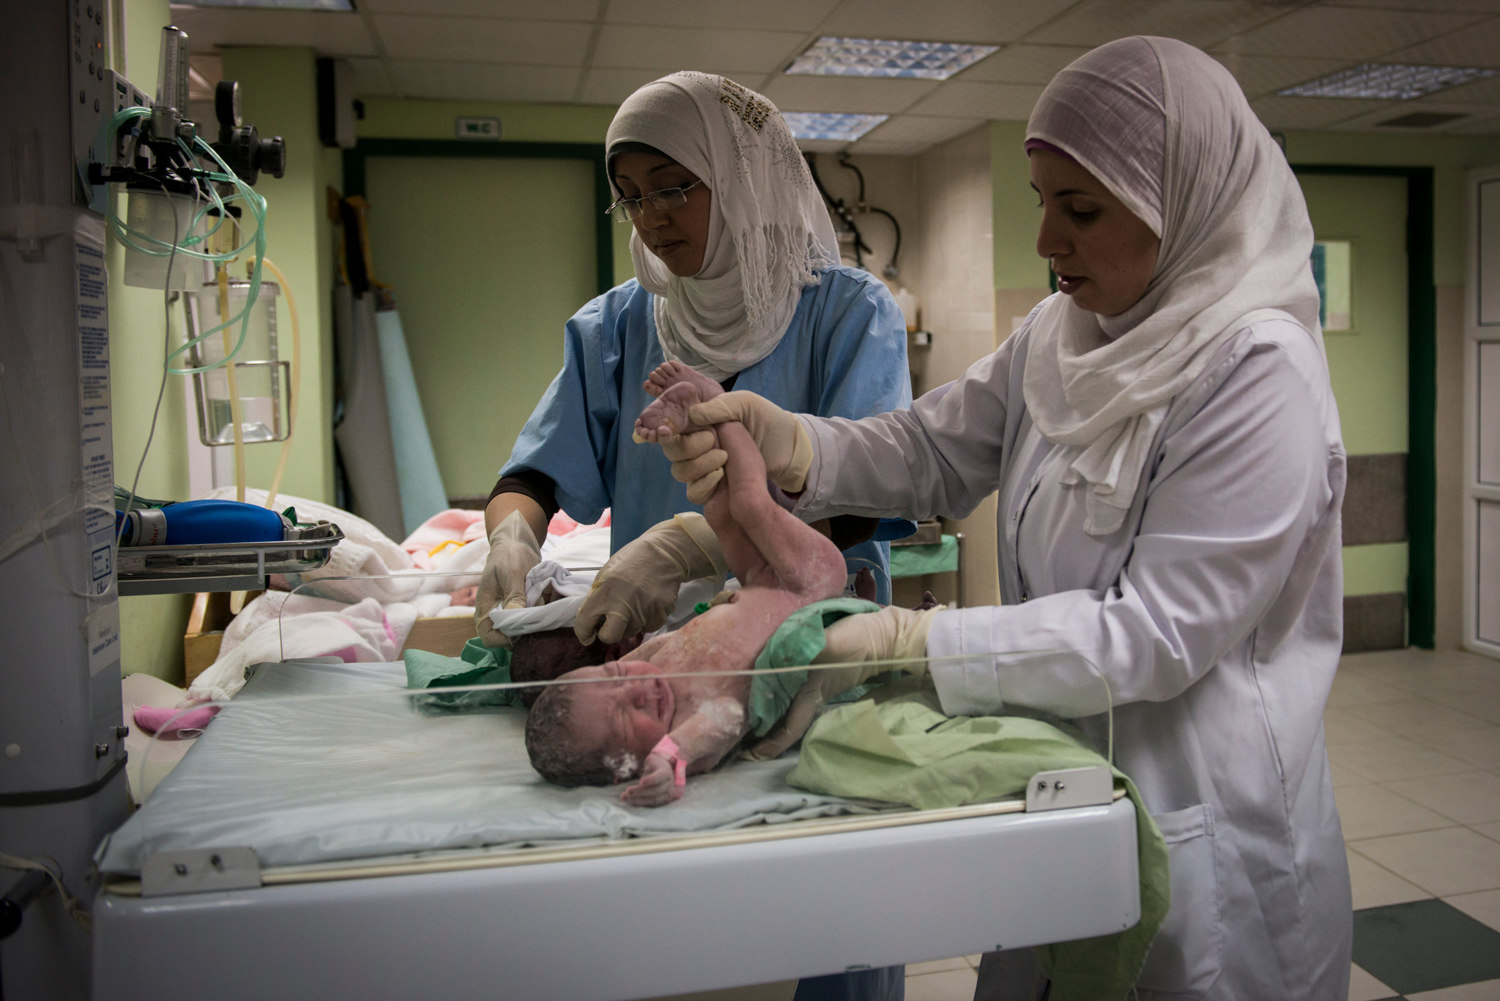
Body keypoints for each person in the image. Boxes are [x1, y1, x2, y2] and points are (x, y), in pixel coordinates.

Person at [664, 36, 1353, 1001]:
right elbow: (930, 449)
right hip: (1057, 780)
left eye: (1082, 210)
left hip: (1206, 829)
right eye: (1042, 202)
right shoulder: (1061, 336)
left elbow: (1156, 631)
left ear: (1182, 205)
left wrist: (915, 638)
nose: (1046, 241)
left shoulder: (1256, 372)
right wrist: (794, 446)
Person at [474, 71, 911, 654]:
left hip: (813, 645)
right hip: (655, 655)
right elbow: (534, 477)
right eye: (629, 196)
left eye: (672, 188)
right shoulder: (618, 326)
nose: (650, 218)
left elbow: (868, 492)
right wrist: (511, 540)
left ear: (742, 182)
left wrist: (699, 546)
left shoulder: (849, 313)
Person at [525, 361, 853, 806]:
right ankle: (714, 404)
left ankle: (697, 415)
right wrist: (668, 762)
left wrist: (625, 651)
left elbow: (644, 652)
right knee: (748, 503)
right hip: (805, 585)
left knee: (720, 510)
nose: (639, 688)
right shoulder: (693, 718)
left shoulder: (652, 670)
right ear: (628, 765)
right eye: (629, 715)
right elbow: (721, 725)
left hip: (760, 583)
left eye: (615, 675)